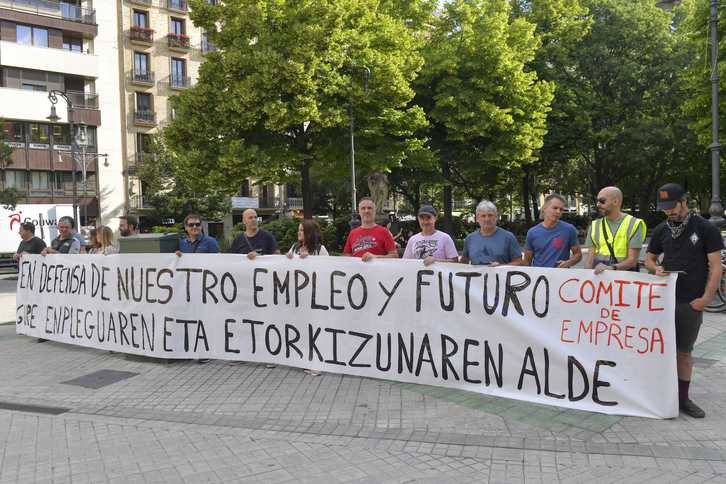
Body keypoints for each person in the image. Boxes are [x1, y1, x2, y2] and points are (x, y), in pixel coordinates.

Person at [644, 183, 724, 419]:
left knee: (684, 351)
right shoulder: (661, 229)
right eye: (664, 208)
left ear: (685, 200)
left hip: (691, 301)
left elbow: (716, 266)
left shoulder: (706, 228)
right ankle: (658, 394)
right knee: (659, 348)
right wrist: (655, 268)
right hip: (662, 300)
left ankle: (683, 398)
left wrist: (706, 299)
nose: (669, 211)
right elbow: (649, 260)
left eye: (672, 206)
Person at [174, 214, 220, 364]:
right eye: (192, 224)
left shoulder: (210, 242)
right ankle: (191, 350)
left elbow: (219, 261)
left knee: (205, 319)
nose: (195, 227)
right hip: (188, 288)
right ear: (186, 227)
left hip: (206, 288)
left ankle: (207, 350)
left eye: (198, 224)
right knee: (190, 319)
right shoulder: (182, 244)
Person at [286, 219, 329, 376]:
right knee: (302, 327)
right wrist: (288, 259)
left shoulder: (320, 250)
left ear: (310, 232)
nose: (299, 233)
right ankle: (304, 358)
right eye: (299, 230)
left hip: (316, 297)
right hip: (299, 297)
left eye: (302, 230)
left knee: (315, 328)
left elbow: (328, 271)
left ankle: (316, 361)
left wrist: (310, 262)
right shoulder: (294, 248)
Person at [584, 186, 645, 274]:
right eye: (598, 201)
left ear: (615, 201)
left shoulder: (633, 224)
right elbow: (589, 261)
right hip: (599, 279)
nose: (598, 204)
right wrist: (586, 280)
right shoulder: (594, 225)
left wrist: (611, 267)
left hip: (624, 279)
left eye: (602, 201)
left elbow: (632, 261)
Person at [523, 194, 582, 268]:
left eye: (561, 209)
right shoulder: (532, 232)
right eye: (555, 208)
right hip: (540, 277)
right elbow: (527, 261)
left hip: (561, 277)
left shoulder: (569, 229)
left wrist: (568, 263)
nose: (558, 212)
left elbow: (578, 254)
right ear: (545, 208)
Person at [460, 200, 522, 266]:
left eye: (490, 215)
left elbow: (519, 262)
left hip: (500, 276)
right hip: (477, 276)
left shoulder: (508, 237)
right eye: (483, 216)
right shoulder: (470, 239)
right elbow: (463, 263)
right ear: (477, 218)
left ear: (496, 217)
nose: (487, 219)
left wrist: (501, 266)